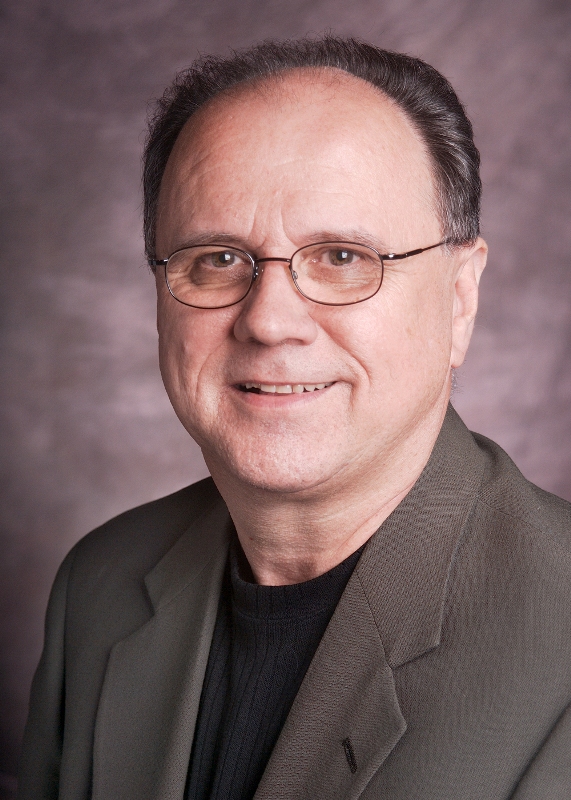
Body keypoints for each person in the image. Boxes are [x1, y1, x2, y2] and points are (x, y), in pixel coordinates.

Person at [18, 37, 571, 800]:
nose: (270, 321)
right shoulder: (101, 584)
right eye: (217, 259)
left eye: (341, 258)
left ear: (458, 298)